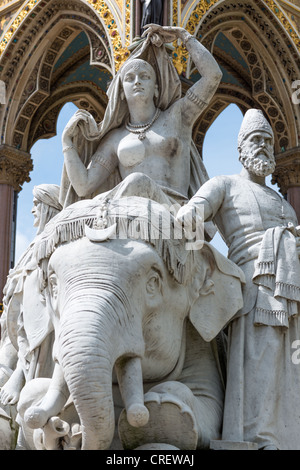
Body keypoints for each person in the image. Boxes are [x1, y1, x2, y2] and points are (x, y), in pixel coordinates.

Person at [176, 109, 300, 450]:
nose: (262, 147)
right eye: (255, 141)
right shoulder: (225, 185)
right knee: (258, 361)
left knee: (287, 366)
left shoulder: (281, 202)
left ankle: (285, 434)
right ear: (241, 148)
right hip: (252, 288)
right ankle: (258, 437)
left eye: (267, 142)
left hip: (288, 291)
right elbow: (192, 213)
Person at [59, 24, 222, 224]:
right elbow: (84, 185)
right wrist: (66, 142)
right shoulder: (115, 139)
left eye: (145, 77)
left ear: (155, 89)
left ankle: (103, 219)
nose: (137, 81)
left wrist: (184, 35)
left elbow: (213, 76)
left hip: (173, 211)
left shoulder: (178, 116)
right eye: (130, 78)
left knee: (138, 181)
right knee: (53, 198)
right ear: (121, 91)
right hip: (131, 213)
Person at [0, 184, 62, 407]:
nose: (32, 209)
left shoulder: (50, 242)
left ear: (48, 207)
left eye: (37, 204)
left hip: (34, 320)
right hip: (13, 323)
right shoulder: (36, 242)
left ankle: (19, 375)